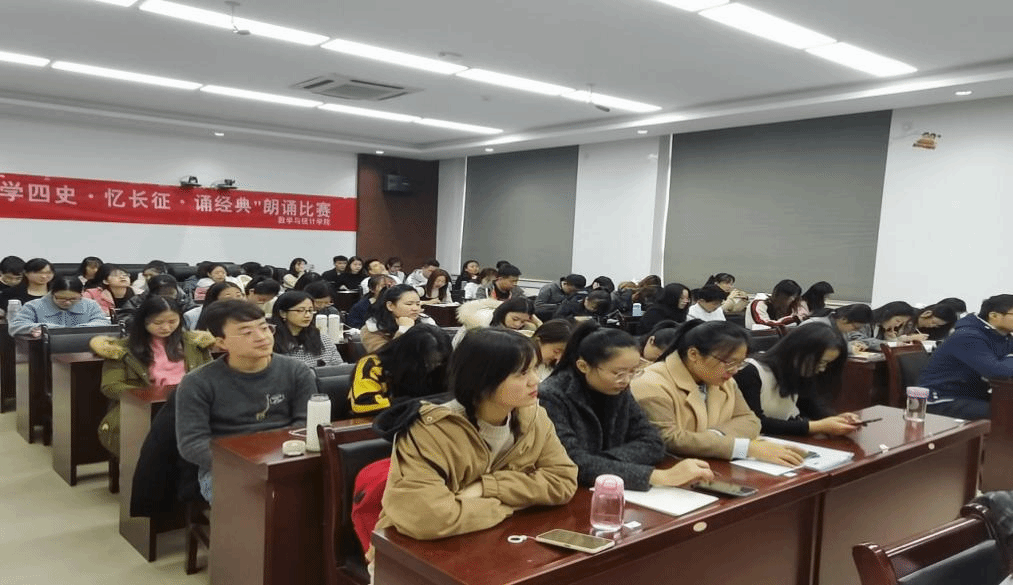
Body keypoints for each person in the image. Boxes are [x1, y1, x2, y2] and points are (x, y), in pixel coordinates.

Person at [373, 327, 577, 540]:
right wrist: (509, 505)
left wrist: (488, 487)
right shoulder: (429, 430)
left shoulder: (534, 417)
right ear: (483, 380)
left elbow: (563, 481)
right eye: (522, 373)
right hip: (408, 549)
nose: (535, 380)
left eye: (535, 368)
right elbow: (427, 517)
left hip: (493, 538)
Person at [539, 321, 713, 491]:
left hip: (608, 487)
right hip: (570, 493)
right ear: (583, 366)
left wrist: (595, 463)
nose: (627, 380)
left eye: (633, 371)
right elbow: (570, 463)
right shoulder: (551, 396)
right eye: (618, 373)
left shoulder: (618, 388)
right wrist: (657, 477)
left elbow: (654, 443)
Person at [176, 300, 315, 502]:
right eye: (247, 332)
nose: (262, 337)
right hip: (227, 466)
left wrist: (279, 459)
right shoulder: (197, 382)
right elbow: (192, 444)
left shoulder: (297, 371)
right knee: (252, 504)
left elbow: (305, 425)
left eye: (264, 328)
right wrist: (248, 464)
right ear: (221, 342)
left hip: (286, 458)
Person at [631, 320, 807, 466]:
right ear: (693, 354)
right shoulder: (651, 383)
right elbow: (670, 439)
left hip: (713, 464)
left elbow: (750, 420)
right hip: (672, 470)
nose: (735, 370)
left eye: (740, 363)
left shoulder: (723, 380)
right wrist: (745, 448)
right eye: (729, 362)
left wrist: (713, 437)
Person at [89, 297, 214, 458]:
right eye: (158, 322)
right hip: (144, 411)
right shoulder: (121, 349)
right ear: (143, 321)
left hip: (192, 407)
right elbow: (111, 386)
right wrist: (149, 396)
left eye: (172, 321)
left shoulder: (195, 343)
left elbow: (211, 377)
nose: (166, 327)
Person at [733, 324, 860, 436]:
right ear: (798, 352)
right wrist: (817, 426)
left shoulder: (799, 371)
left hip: (784, 438)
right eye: (821, 362)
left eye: (826, 364)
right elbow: (756, 422)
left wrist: (836, 418)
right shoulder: (750, 372)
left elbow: (811, 406)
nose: (822, 369)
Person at [918, 294, 1013, 420]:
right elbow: (997, 372)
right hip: (942, 399)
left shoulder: (1002, 336)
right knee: (1007, 413)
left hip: (972, 394)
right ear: (994, 316)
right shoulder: (968, 336)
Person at [349, 324, 451, 414]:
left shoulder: (442, 365)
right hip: (382, 422)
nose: (433, 367)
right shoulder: (372, 364)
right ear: (409, 355)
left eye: (438, 362)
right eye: (427, 363)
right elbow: (362, 403)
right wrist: (414, 402)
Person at [9, 276, 110, 336]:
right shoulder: (34, 306)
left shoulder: (90, 305)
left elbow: (103, 322)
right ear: (52, 293)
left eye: (73, 299)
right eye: (61, 298)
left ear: (81, 294)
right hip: (42, 351)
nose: (67, 302)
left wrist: (79, 329)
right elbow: (15, 326)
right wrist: (46, 328)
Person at [268, 291, 343, 367]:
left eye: (310, 310)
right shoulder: (270, 342)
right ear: (283, 313)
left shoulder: (323, 339)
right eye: (300, 310)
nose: (307, 315)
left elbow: (339, 368)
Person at [360, 284, 436, 353]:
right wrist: (404, 330)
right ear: (390, 306)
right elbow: (382, 356)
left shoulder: (425, 321)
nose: (415, 308)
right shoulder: (372, 328)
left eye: (418, 304)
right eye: (409, 304)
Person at [118, 274, 196, 327]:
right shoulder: (139, 300)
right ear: (152, 293)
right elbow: (124, 318)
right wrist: (148, 323)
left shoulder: (184, 300)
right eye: (163, 294)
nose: (167, 297)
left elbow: (195, 317)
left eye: (171, 293)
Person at [846, 301, 924, 351]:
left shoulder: (881, 328)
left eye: (901, 323)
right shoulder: (864, 320)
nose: (897, 325)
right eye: (897, 321)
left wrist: (891, 339)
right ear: (887, 314)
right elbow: (856, 339)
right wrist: (888, 344)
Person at [802, 304, 873, 353]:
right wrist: (847, 348)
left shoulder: (841, 329)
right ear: (844, 319)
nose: (856, 331)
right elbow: (816, 348)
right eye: (856, 327)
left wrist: (852, 344)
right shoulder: (816, 325)